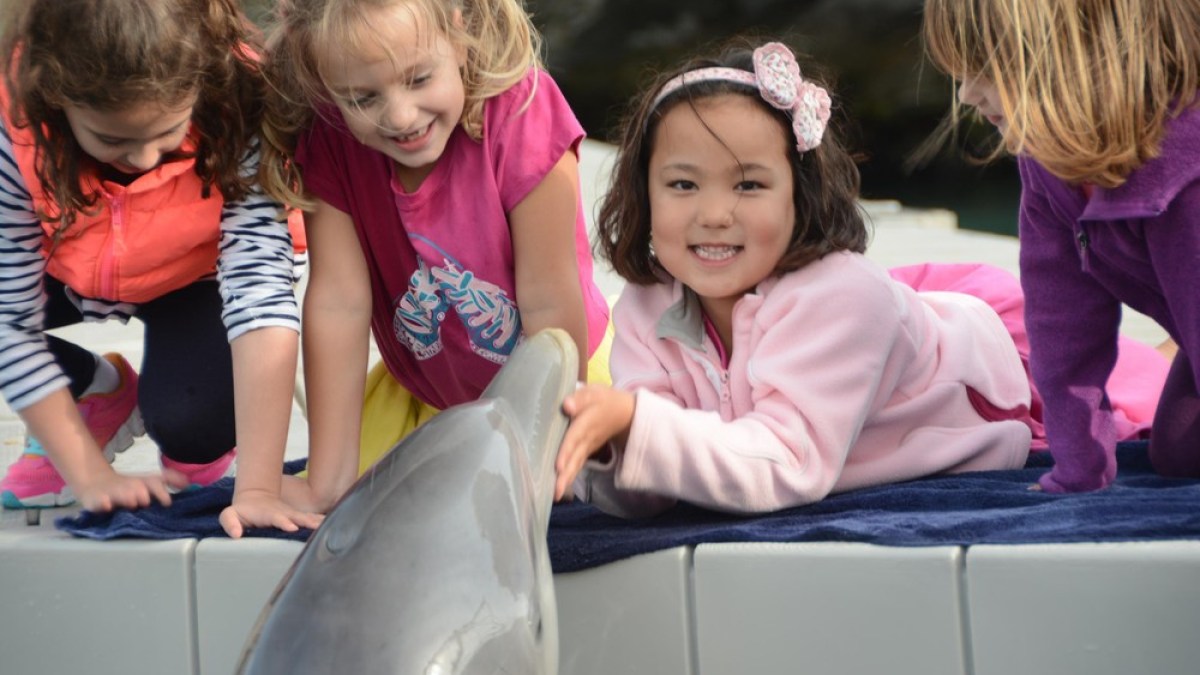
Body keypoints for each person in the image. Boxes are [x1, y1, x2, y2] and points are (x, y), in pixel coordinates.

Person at [553, 40, 1045, 518]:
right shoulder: (647, 305)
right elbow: (655, 485)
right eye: (683, 184)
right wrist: (605, 446)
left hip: (1005, 375)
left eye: (749, 184)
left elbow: (788, 462)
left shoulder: (844, 300)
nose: (715, 213)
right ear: (644, 194)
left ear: (801, 194)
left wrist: (637, 423)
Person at [220, 0, 611, 537]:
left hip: (567, 377)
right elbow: (340, 301)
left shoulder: (521, 109)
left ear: (456, 25)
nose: (401, 117)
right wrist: (329, 479)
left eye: (419, 78)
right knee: (370, 512)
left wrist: (555, 448)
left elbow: (548, 300)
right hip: (424, 398)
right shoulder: (332, 137)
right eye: (364, 98)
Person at [0, 0, 309, 514]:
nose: (143, 159)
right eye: (111, 138)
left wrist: (258, 488)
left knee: (194, 425)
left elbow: (260, 290)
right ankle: (94, 393)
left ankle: (186, 416)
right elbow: (9, 320)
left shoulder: (245, 100)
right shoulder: (17, 128)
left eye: (168, 132)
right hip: (69, 269)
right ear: (56, 96)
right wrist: (90, 474)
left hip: (196, 277)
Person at [922, 0, 1200, 492]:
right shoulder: (1048, 166)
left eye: (984, 68)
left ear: (1078, 55)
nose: (966, 93)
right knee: (1178, 449)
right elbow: (1062, 328)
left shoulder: (1187, 179)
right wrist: (1079, 468)